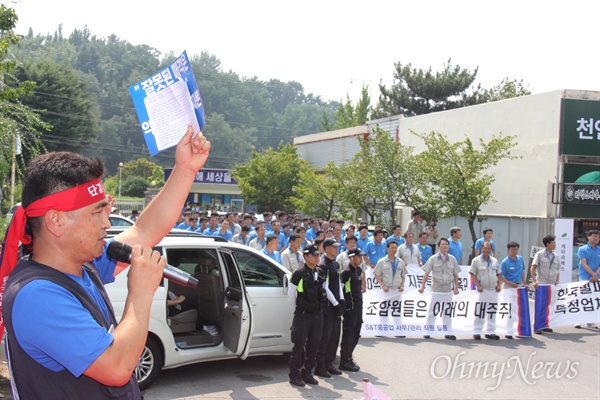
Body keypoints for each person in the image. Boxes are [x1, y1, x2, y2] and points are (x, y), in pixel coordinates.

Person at [0, 126, 210, 399]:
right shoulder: (36, 295)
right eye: (97, 213)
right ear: (56, 221)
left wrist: (185, 169)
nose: (107, 223)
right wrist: (142, 292)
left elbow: (145, 230)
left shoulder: (83, 265)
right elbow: (117, 367)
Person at [288, 244, 334, 387]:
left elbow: (325, 289)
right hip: (303, 314)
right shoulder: (298, 273)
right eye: (313, 255)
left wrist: (337, 304)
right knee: (299, 345)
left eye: (318, 255)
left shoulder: (320, 272)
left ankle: (307, 373)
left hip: (317, 314)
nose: (316, 257)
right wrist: (301, 308)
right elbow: (291, 295)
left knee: (314, 345)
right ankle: (295, 375)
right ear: (306, 256)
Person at [419, 238, 461, 340]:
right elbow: (426, 273)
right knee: (432, 311)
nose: (444, 246)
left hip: (447, 289)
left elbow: (456, 274)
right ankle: (428, 331)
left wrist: (456, 287)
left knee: (447, 312)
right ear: (439, 246)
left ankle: (448, 332)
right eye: (442, 244)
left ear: (448, 246)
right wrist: (422, 286)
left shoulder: (452, 259)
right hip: (436, 288)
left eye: (446, 244)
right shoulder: (433, 258)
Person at [314, 239, 344, 378]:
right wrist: (335, 303)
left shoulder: (336, 264)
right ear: (326, 249)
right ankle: (320, 365)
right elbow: (325, 286)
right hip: (327, 306)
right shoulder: (323, 265)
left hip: (336, 304)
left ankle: (329, 363)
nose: (336, 249)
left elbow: (337, 282)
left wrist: (341, 299)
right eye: (333, 247)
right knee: (325, 336)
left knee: (334, 335)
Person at [339, 248, 366, 372]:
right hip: (350, 307)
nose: (360, 259)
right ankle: (344, 360)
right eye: (358, 256)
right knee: (348, 334)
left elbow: (360, 286)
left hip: (358, 305)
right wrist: (345, 305)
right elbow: (342, 289)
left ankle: (349, 356)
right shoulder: (346, 272)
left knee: (356, 333)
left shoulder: (359, 270)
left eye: (361, 256)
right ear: (351, 258)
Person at [469, 242, 501, 340]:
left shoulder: (494, 261)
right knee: (480, 311)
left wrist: (499, 285)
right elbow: (472, 274)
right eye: (485, 248)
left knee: (492, 311)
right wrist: (477, 285)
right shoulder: (476, 260)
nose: (487, 250)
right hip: (482, 290)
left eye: (489, 248)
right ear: (481, 248)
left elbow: (498, 273)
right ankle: (477, 331)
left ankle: (490, 332)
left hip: (493, 290)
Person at [531, 234, 561, 334]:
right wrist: (534, 281)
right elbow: (533, 267)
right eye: (553, 242)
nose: (555, 244)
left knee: (548, 305)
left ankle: (545, 324)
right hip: (542, 283)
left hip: (551, 284)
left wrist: (557, 280)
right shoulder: (539, 254)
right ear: (548, 244)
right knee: (540, 305)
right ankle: (537, 326)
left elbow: (557, 270)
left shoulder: (555, 256)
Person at [499, 241, 527, 339]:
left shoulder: (520, 259)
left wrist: (525, 283)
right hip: (509, 287)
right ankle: (508, 330)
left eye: (516, 249)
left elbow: (522, 272)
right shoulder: (505, 262)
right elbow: (500, 276)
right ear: (508, 250)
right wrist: (509, 283)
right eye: (512, 249)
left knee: (518, 309)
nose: (514, 251)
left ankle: (518, 328)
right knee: (510, 309)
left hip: (518, 287)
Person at [575, 229, 600, 329]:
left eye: (598, 237)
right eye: (595, 236)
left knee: (593, 300)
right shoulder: (583, 249)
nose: (597, 238)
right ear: (589, 237)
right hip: (585, 278)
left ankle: (590, 321)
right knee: (582, 299)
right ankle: (577, 320)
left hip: (597, 279)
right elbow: (584, 264)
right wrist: (593, 275)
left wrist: (595, 275)